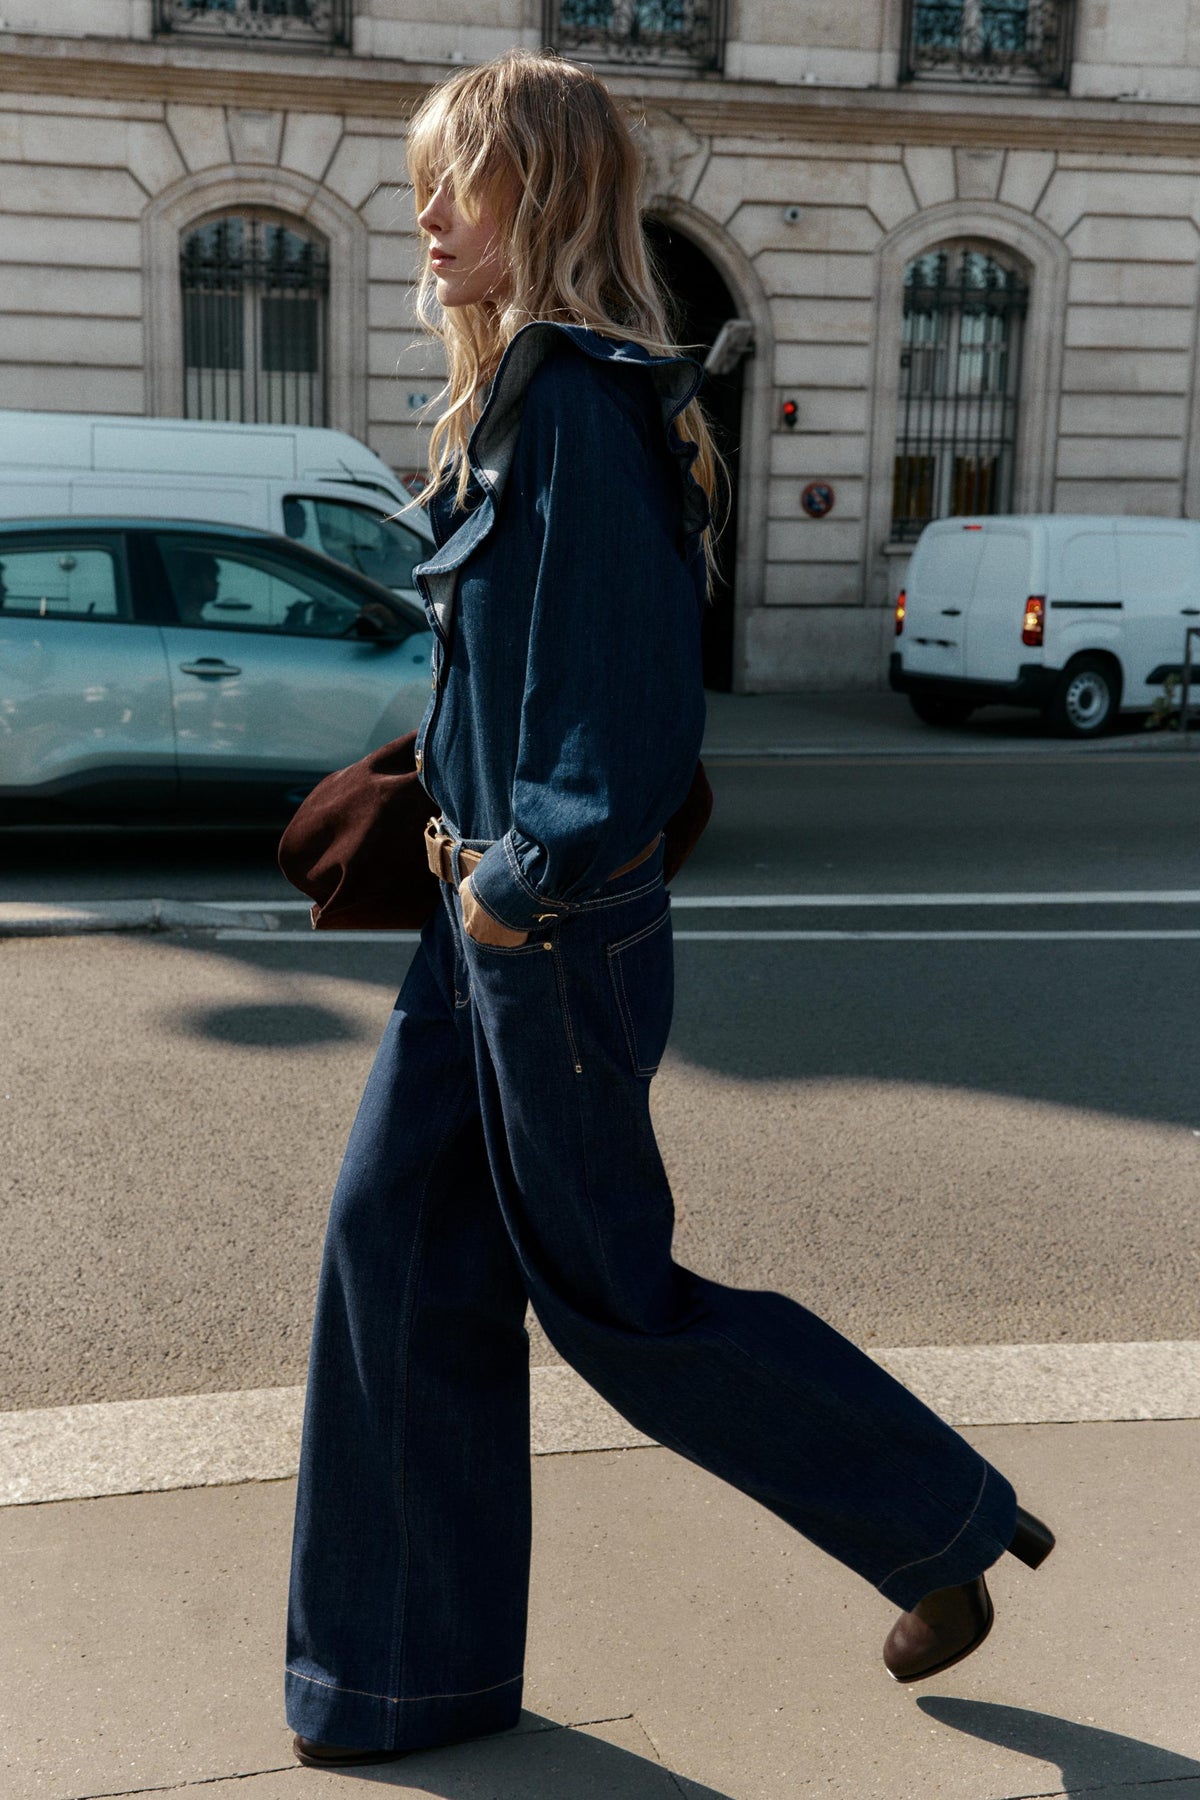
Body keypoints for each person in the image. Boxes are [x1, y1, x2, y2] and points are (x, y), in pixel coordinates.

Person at [284, 48, 1054, 1772]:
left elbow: (626, 718)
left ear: (539, 198)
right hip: (477, 913)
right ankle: (406, 1682)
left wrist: (518, 891)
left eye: (455, 181)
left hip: (539, 933)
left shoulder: (576, 402)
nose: (424, 212)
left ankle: (940, 1520)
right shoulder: (521, 395)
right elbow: (534, 661)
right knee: (395, 1261)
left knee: (612, 1301)